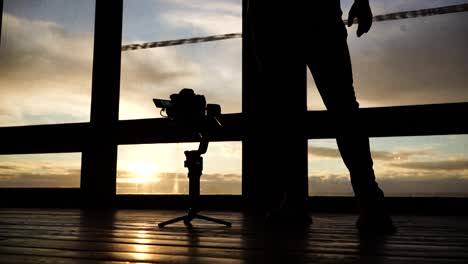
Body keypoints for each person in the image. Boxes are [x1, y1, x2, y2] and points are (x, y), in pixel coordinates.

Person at [246, 0, 395, 233]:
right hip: (308, 14)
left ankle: (297, 201)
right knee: (340, 108)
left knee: (298, 112)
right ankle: (369, 200)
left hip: (276, 18)